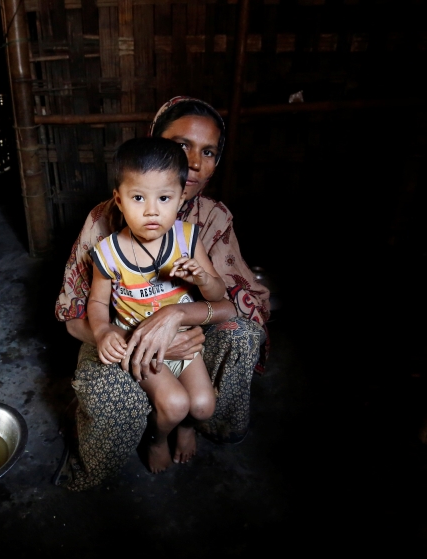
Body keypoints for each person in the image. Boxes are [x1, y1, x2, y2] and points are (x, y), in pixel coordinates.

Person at [55, 96, 270, 490]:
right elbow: (79, 313)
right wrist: (129, 339)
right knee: (141, 396)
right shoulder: (106, 228)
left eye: (208, 152)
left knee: (217, 376)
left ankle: (204, 426)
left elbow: (228, 302)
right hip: (125, 335)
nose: (193, 162)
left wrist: (179, 317)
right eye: (181, 145)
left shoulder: (206, 223)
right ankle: (142, 440)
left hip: (190, 333)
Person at [89, 137, 227, 473]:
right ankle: (157, 438)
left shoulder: (187, 239)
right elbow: (97, 300)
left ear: (180, 198)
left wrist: (202, 279)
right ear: (119, 200)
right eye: (138, 197)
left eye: (164, 198)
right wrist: (103, 330)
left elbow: (218, 295)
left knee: (203, 406)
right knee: (175, 404)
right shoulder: (108, 252)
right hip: (143, 349)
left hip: (183, 341)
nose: (152, 210)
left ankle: (187, 428)